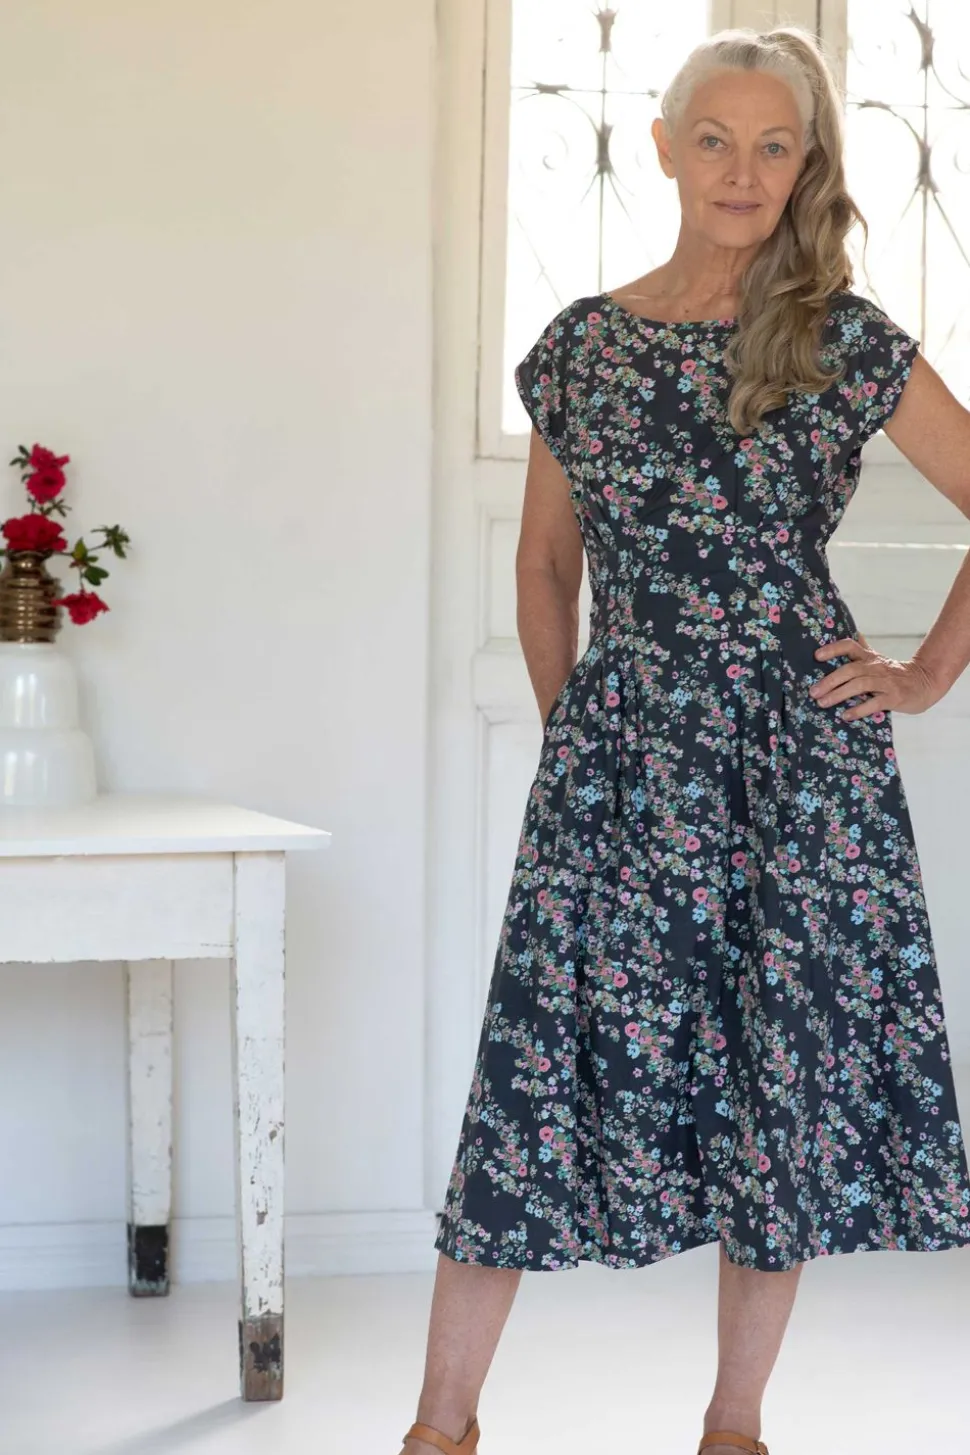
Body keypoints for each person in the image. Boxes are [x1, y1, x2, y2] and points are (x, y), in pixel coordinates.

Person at [399, 25, 970, 1455]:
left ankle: (733, 1427)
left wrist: (923, 675)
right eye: (714, 139)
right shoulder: (584, 348)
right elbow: (545, 565)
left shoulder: (840, 339)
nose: (742, 171)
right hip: (620, 762)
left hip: (800, 771)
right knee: (536, 1073)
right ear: (663, 148)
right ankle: (438, 1429)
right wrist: (579, 742)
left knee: (777, 1090)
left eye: (774, 145)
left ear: (806, 163)